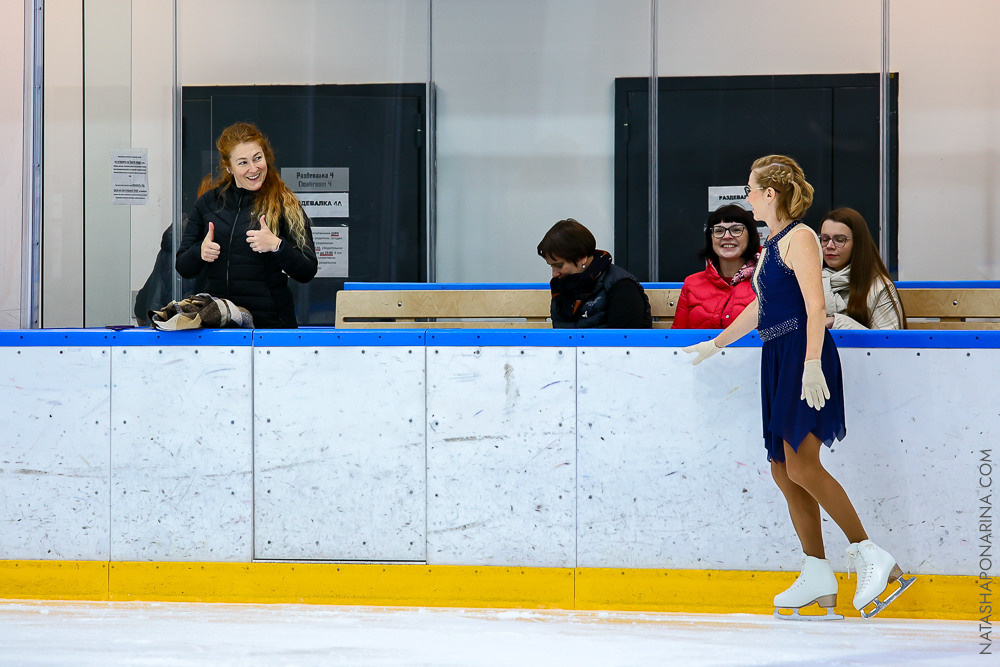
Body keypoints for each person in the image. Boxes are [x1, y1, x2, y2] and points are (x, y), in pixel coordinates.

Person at [683, 155, 914, 620]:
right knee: (782, 470)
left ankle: (871, 554)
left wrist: (811, 364)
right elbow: (761, 307)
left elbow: (814, 305)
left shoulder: (803, 237)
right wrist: (717, 341)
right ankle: (816, 571)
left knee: (803, 466)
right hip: (779, 354)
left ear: (771, 194)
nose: (746, 197)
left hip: (802, 355)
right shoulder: (773, 244)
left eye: (751, 189)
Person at [176, 122, 318, 328]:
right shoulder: (208, 203)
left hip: (270, 327)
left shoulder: (284, 203)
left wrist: (277, 246)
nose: (254, 169)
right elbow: (183, 267)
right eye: (243, 163)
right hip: (219, 324)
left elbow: (307, 270)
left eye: (257, 158)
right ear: (228, 167)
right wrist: (200, 251)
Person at [537, 218, 652, 329]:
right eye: (551, 266)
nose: (554, 274)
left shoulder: (622, 287)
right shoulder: (562, 286)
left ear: (582, 258)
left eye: (559, 265)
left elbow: (625, 342)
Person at [672, 204, 761, 329]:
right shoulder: (691, 284)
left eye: (736, 230)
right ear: (710, 238)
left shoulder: (767, 282)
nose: (727, 236)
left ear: (751, 235)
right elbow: (677, 339)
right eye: (719, 230)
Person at [821, 207, 904, 330]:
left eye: (839, 240)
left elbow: (887, 342)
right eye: (825, 239)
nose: (830, 246)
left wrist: (836, 322)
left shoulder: (878, 288)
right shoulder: (808, 281)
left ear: (858, 243)